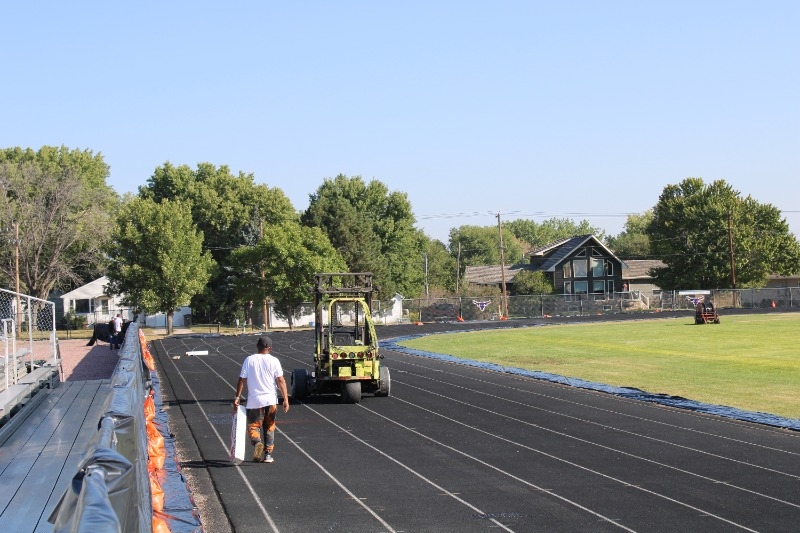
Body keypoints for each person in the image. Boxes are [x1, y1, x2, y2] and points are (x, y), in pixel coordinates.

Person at [233, 336, 290, 463]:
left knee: (254, 426)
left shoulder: (249, 360)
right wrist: (285, 399)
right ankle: (268, 455)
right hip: (270, 400)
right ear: (270, 348)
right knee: (269, 426)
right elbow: (280, 380)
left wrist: (237, 397)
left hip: (254, 401)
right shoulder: (274, 361)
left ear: (257, 346)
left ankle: (257, 442)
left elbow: (242, 379)